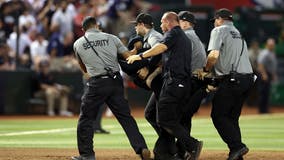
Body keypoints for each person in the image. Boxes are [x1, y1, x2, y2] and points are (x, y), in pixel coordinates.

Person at [72, 16, 151, 160]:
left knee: (86, 119)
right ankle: (141, 148)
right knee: (126, 118)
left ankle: (87, 155)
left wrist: (91, 70)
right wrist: (136, 49)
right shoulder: (112, 38)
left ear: (83, 29)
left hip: (96, 83)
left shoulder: (78, 43)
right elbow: (129, 57)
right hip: (115, 81)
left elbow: (83, 67)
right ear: (97, 25)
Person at [127, 11, 202, 160]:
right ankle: (165, 152)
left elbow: (160, 48)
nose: (160, 25)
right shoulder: (182, 36)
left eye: (162, 22)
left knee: (164, 119)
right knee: (166, 118)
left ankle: (191, 145)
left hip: (174, 82)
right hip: (180, 83)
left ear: (168, 22)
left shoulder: (174, 33)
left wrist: (140, 56)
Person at [198, 8, 254, 160]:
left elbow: (214, 55)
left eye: (215, 20)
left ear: (220, 19)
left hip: (232, 80)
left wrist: (205, 70)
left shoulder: (219, 30)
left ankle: (238, 147)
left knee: (218, 116)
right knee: (231, 118)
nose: (214, 24)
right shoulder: (239, 34)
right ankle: (236, 154)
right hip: (247, 80)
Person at [177, 10, 207, 158]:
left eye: (179, 21)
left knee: (178, 117)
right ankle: (184, 150)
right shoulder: (195, 37)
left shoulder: (186, 36)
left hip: (191, 82)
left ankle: (187, 148)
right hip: (198, 83)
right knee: (185, 117)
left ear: (186, 23)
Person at [257, 38, 278, 114]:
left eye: (272, 45)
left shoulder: (272, 53)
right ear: (267, 45)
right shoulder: (264, 53)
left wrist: (273, 74)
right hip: (264, 74)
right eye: (270, 45)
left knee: (267, 93)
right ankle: (262, 111)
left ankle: (265, 110)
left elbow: (272, 66)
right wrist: (264, 74)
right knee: (263, 93)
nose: (272, 46)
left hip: (268, 74)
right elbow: (260, 65)